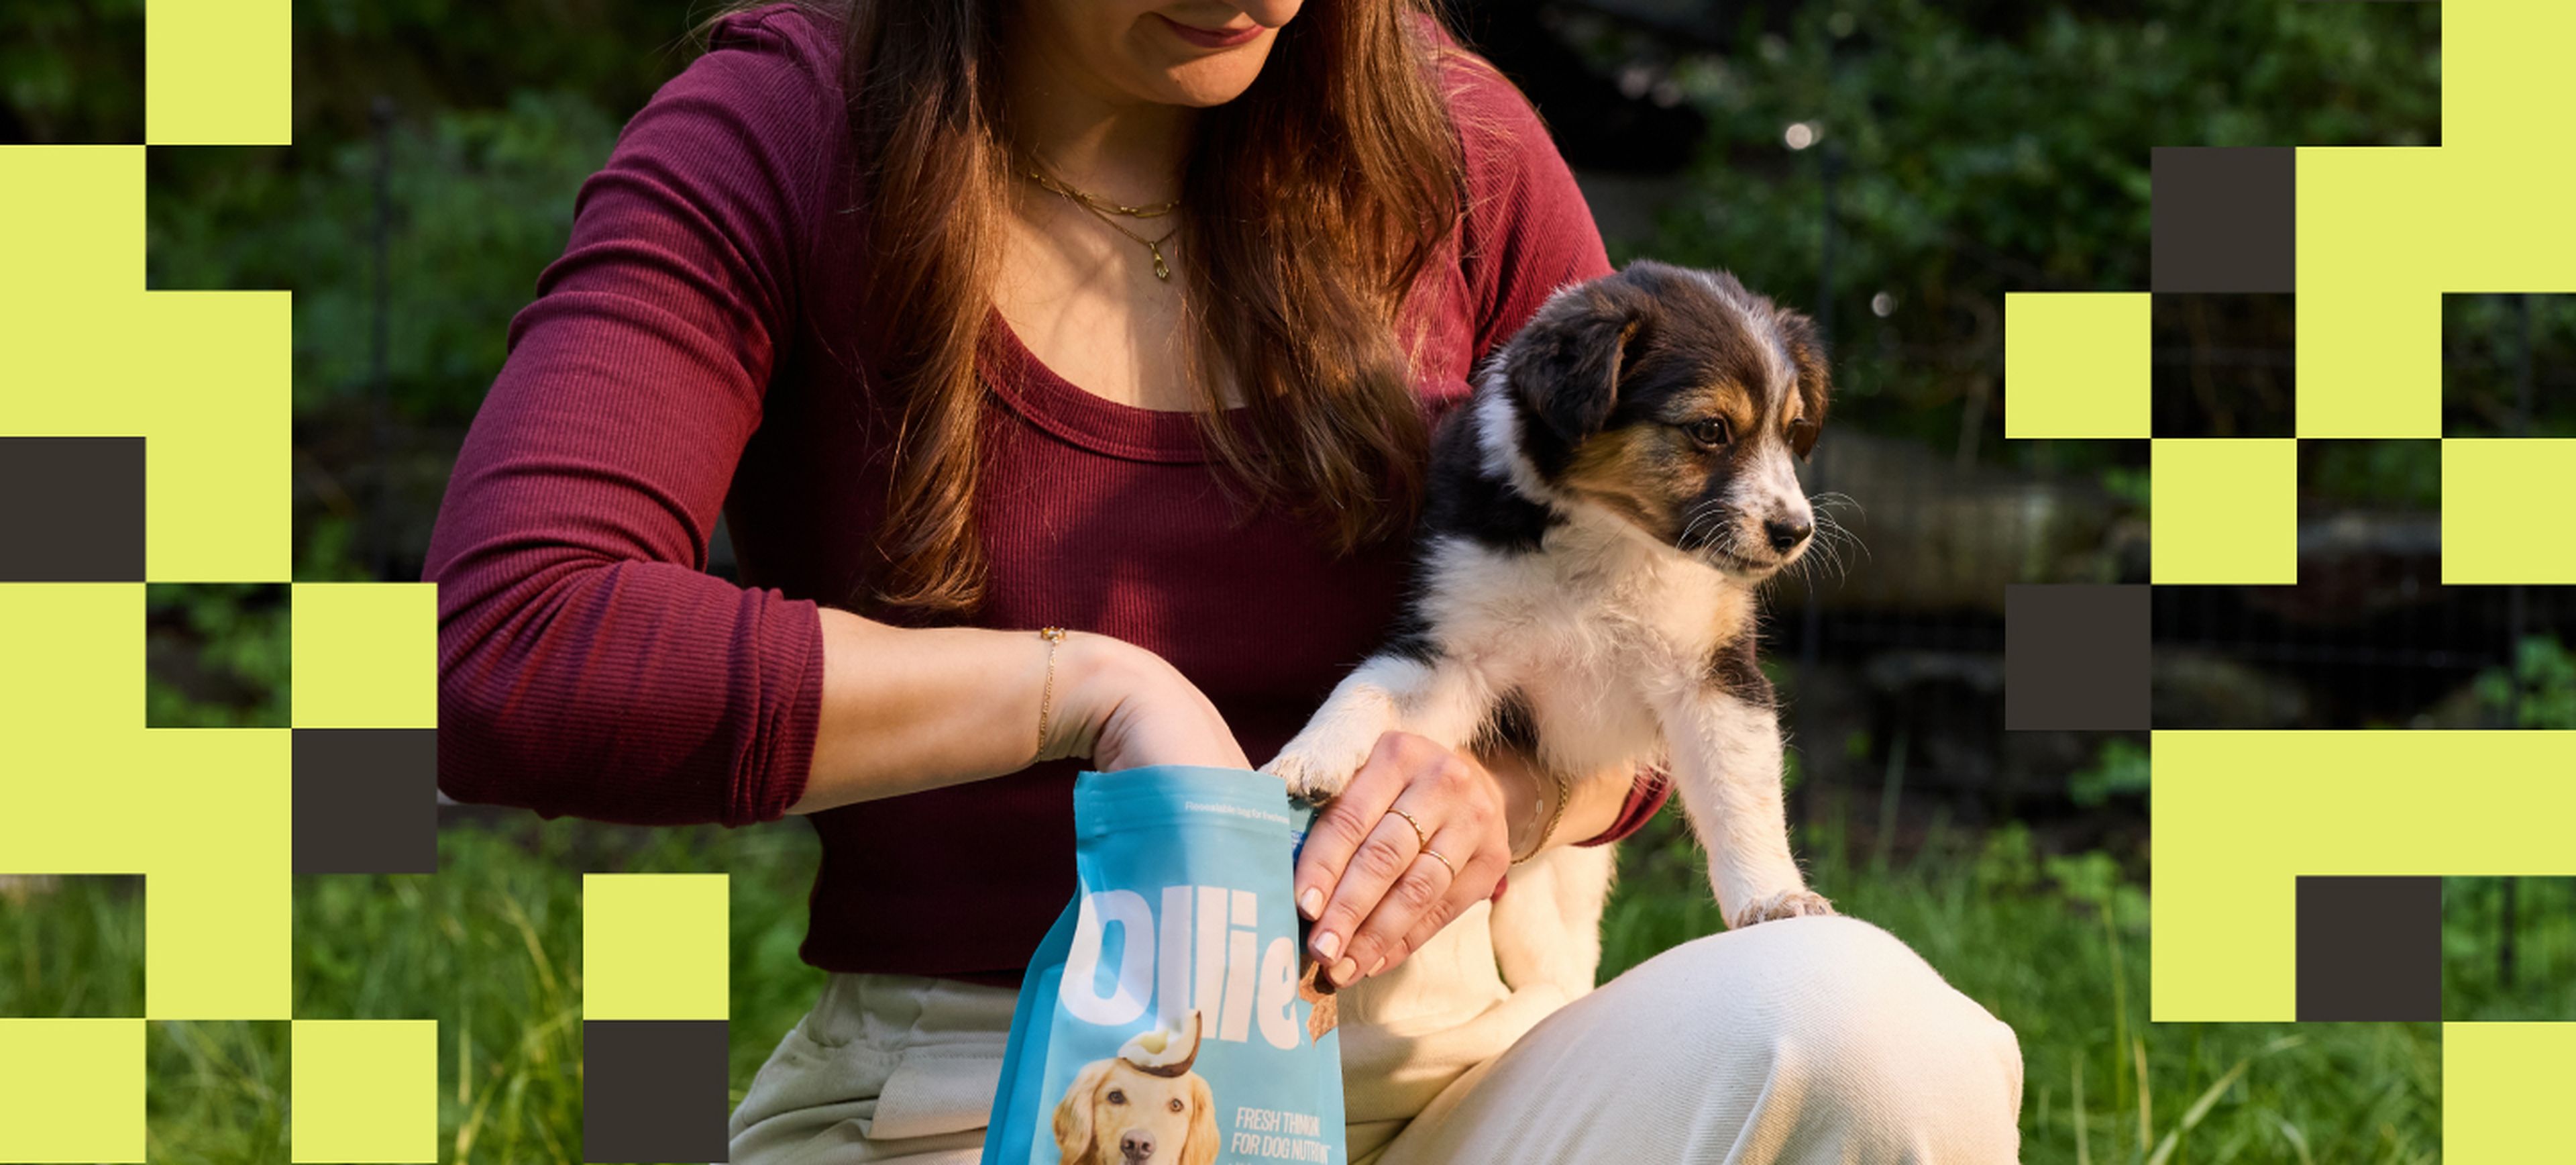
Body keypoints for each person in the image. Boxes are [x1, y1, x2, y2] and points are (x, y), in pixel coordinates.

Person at [423, 1, 2025, 1161]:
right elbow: (512, 646)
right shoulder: (780, 131)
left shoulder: (1454, 141)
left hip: (1455, 1073)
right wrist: (1089, 693)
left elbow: (1655, 637)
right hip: (993, 1090)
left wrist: (1515, 793)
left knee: (1872, 1031)